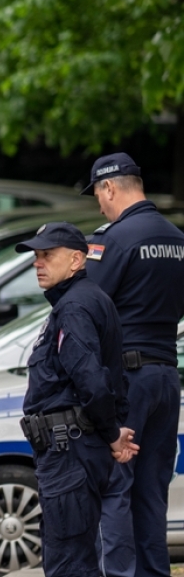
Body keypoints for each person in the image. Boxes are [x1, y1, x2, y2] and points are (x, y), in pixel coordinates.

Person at [13, 222, 138, 577]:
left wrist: (112, 434)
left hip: (70, 450)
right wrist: (112, 430)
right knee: (77, 556)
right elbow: (114, 374)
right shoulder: (87, 300)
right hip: (77, 448)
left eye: (47, 255)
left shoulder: (75, 307)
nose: (38, 263)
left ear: (76, 260)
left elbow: (92, 380)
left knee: (69, 563)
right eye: (36, 256)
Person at [81, 153, 184, 577]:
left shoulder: (113, 239)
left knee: (115, 489)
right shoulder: (177, 238)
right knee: (151, 494)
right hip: (167, 376)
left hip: (128, 378)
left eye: (99, 197)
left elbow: (86, 302)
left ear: (110, 187)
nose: (99, 206)